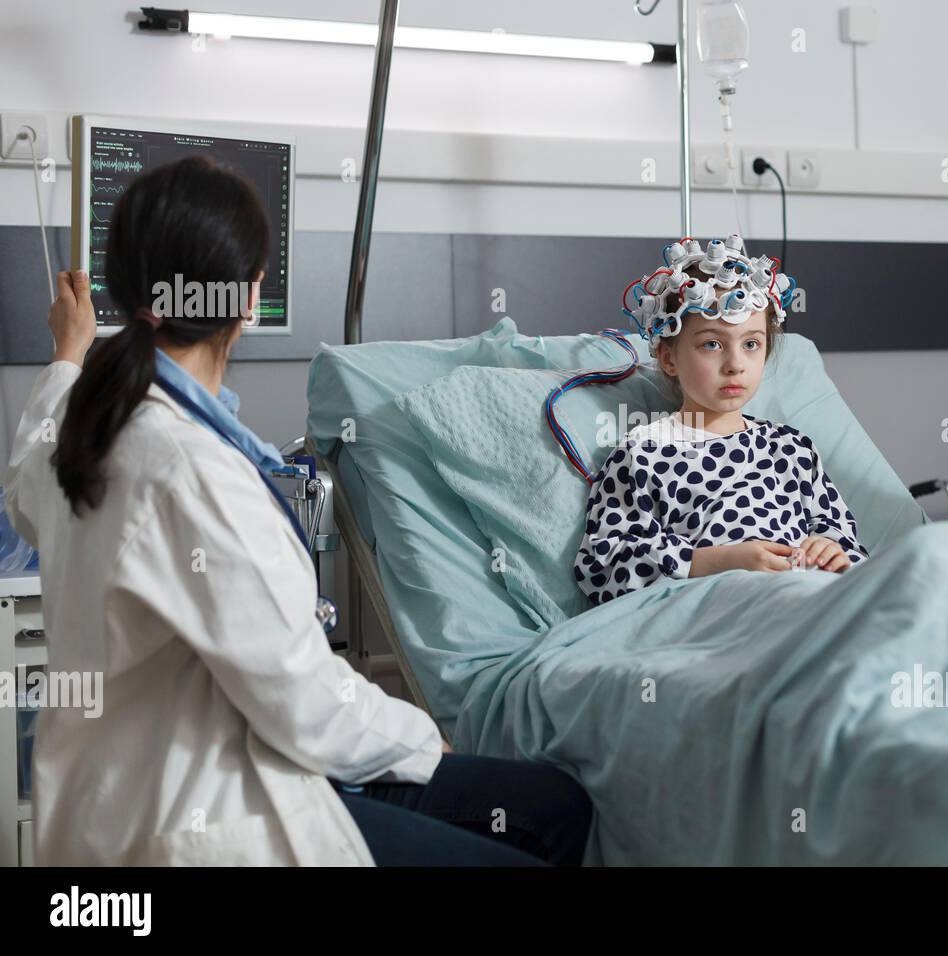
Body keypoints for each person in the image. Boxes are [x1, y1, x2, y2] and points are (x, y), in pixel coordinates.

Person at [4, 156, 591, 865]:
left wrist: (67, 353)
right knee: (527, 836)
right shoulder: (190, 469)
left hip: (116, 804)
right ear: (250, 298)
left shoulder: (92, 431)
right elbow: (301, 703)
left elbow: (27, 477)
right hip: (208, 819)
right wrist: (424, 736)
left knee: (555, 803)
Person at [574, 238, 867, 606]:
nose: (735, 364)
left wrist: (832, 553)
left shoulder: (792, 450)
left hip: (809, 601)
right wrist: (715, 562)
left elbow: (846, 542)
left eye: (751, 344)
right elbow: (603, 567)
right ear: (668, 358)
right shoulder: (643, 455)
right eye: (712, 344)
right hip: (715, 608)